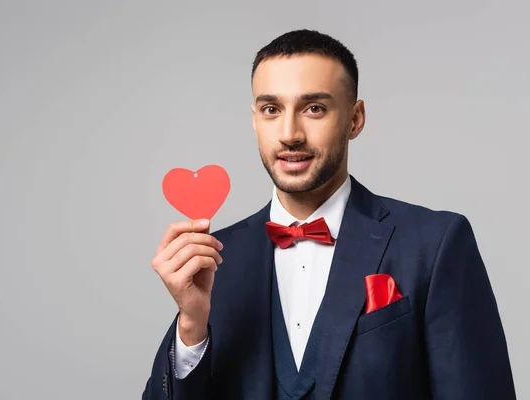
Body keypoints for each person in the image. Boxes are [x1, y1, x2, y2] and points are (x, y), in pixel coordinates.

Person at [141, 29, 517, 399]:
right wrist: (191, 325)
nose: (290, 134)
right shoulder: (216, 256)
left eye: (314, 108)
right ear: (255, 119)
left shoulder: (434, 244)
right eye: (271, 109)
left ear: (355, 119)